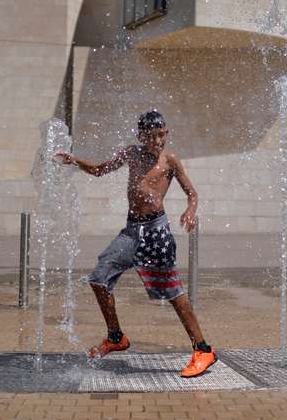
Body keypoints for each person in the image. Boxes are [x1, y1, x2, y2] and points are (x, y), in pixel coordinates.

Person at [56, 110, 216, 378]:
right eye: (151, 136)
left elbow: (192, 193)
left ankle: (203, 349)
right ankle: (116, 337)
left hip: (156, 233)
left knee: (173, 293)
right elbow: (99, 170)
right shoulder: (131, 154)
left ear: (167, 133)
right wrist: (75, 161)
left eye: (161, 135)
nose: (157, 141)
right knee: (99, 279)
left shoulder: (170, 160)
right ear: (141, 136)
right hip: (131, 232)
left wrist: (190, 210)